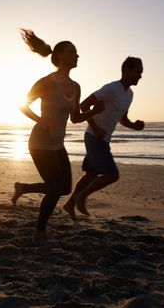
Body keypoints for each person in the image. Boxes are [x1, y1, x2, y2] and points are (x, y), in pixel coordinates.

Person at [12, 29, 104, 241]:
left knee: (64, 188)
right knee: (54, 188)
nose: (77, 55)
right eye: (73, 52)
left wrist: (95, 112)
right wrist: (40, 119)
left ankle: (23, 187)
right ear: (61, 55)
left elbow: (75, 118)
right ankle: (40, 231)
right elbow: (22, 104)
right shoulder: (46, 82)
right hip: (40, 143)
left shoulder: (75, 86)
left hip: (57, 144)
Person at [63, 56, 145, 220]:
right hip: (94, 136)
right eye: (137, 72)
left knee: (91, 174)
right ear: (125, 70)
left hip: (103, 139)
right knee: (112, 175)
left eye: (141, 72)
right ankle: (81, 197)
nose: (140, 76)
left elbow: (123, 119)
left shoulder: (129, 94)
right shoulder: (111, 88)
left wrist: (134, 126)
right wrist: (95, 127)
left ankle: (70, 205)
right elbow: (84, 106)